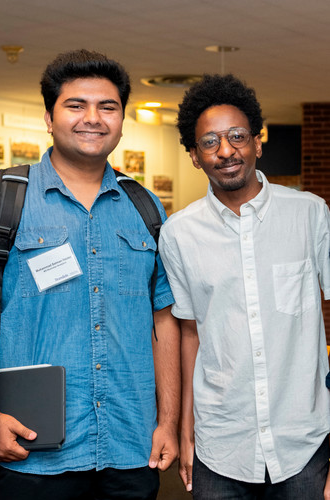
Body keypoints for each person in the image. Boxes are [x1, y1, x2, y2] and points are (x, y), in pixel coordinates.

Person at [0, 49, 180, 500]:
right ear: (48, 116)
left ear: (121, 119)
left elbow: (164, 321)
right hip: (30, 448)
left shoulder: (145, 208)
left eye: (108, 107)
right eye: (76, 105)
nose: (92, 118)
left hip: (130, 446)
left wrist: (169, 422)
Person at [159, 73, 330, 499]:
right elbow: (189, 333)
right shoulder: (179, 233)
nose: (226, 150)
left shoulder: (310, 215)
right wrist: (186, 433)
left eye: (237, 136)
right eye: (210, 142)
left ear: (257, 141)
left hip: (305, 442)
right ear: (195, 156)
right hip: (221, 444)